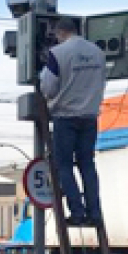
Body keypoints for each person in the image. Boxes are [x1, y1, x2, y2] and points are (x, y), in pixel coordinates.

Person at [39, 16, 108, 227]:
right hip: (90, 116)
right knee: (87, 164)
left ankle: (77, 212)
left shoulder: (58, 54)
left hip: (65, 117)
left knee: (65, 166)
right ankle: (94, 212)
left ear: (60, 33)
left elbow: (48, 89)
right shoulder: (98, 52)